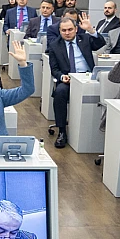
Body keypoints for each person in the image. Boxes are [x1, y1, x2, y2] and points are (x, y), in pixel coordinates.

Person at [47, 14, 106, 148]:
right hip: (69, 80)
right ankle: (62, 131)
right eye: (64, 30)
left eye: (70, 30)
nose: (67, 33)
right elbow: (54, 69)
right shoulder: (55, 45)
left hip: (88, 77)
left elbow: (100, 43)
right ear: (59, 31)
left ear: (76, 29)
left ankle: (97, 131)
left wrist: (91, 30)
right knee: (60, 92)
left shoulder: (85, 39)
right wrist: (62, 77)